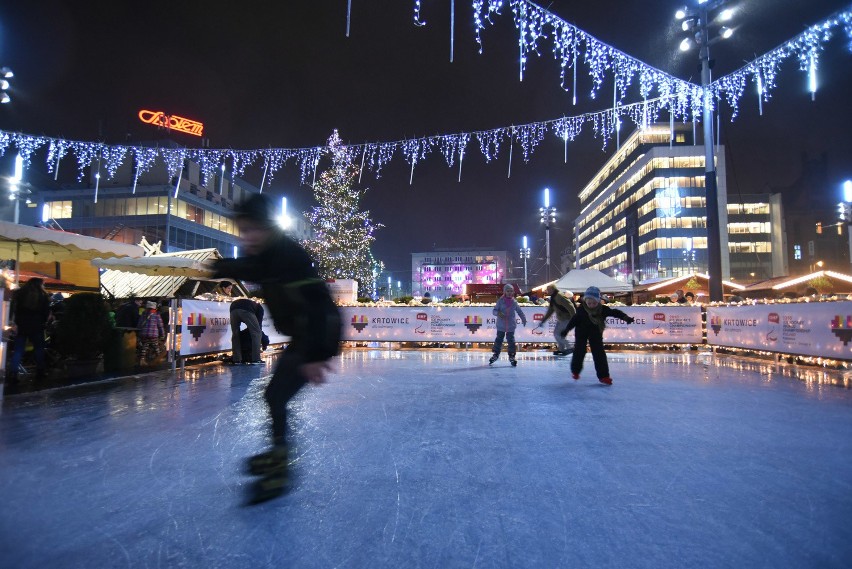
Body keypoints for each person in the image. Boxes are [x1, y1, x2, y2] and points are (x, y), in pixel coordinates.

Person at [213, 193, 341, 504]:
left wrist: (317, 356)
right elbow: (254, 268)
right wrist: (218, 267)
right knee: (274, 396)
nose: (247, 238)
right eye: (243, 231)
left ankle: (281, 467)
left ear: (270, 228)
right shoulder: (271, 256)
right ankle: (278, 453)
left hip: (313, 337)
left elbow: (323, 309)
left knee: (277, 396)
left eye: (253, 229)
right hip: (304, 337)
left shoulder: (289, 257)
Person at [561, 285, 634, 385]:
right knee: (579, 351)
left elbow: (615, 312)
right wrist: (566, 330)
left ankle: (604, 376)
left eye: (594, 303)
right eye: (589, 303)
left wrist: (626, 318)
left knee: (599, 353)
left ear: (598, 301)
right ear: (585, 301)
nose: (591, 305)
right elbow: (573, 321)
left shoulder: (603, 309)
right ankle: (575, 371)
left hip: (595, 333)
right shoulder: (581, 311)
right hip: (581, 332)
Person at [6, 278, 51, 384]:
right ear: (40, 284)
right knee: (39, 349)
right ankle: (40, 371)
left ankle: (13, 372)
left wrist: (14, 322)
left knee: (18, 350)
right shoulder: (43, 295)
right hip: (37, 325)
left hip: (21, 325)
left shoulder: (19, 294)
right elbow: (46, 312)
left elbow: (14, 309)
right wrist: (43, 322)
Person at [489, 284, 527, 367]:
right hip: (501, 325)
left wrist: (524, 319)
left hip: (510, 324)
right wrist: (498, 313)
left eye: (511, 291)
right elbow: (494, 311)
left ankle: (512, 355)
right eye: (508, 291)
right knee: (499, 339)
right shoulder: (500, 301)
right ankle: (496, 354)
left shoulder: (514, 302)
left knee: (511, 341)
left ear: (513, 292)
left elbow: (519, 312)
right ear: (504, 292)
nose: (510, 293)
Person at [537, 285, 576, 356]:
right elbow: (550, 311)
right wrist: (543, 320)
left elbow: (570, 306)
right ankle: (562, 349)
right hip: (561, 318)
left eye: (548, 289)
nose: (547, 291)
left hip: (567, 318)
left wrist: (574, 317)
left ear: (552, 289)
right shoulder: (553, 297)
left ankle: (569, 347)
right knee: (557, 334)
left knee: (557, 334)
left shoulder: (559, 296)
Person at [229, 296, 264, 365]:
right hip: (245, 309)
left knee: (235, 334)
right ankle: (256, 359)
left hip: (233, 308)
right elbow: (258, 327)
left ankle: (237, 359)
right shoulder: (260, 309)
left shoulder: (253, 304)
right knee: (257, 333)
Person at [136, 301, 165, 365]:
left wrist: (139, 331)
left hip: (144, 333)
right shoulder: (156, 314)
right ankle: (159, 358)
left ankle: (142, 360)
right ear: (154, 308)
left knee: (145, 345)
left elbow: (140, 323)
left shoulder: (144, 313)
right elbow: (160, 325)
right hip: (153, 334)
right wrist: (162, 334)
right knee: (156, 346)